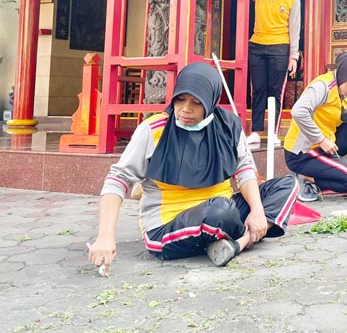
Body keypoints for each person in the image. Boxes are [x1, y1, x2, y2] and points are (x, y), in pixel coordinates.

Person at [88, 62, 299, 273]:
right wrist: (105, 237)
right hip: (169, 225)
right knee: (222, 212)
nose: (186, 109)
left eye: (197, 103)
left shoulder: (229, 126)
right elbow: (117, 179)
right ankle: (241, 237)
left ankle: (237, 242)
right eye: (180, 99)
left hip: (222, 209)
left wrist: (257, 211)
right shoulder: (152, 130)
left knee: (287, 185)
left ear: (211, 102)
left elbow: (244, 169)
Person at [283, 51, 347, 202]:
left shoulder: (342, 88)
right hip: (303, 154)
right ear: (342, 74)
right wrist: (321, 139)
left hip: (326, 146)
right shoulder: (322, 86)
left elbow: (338, 111)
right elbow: (298, 111)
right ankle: (305, 179)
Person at [246, 0, 301, 148]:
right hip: (257, 46)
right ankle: (255, 131)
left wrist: (293, 56)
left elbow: (295, 30)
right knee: (258, 89)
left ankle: (273, 133)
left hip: (280, 48)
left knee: (275, 92)